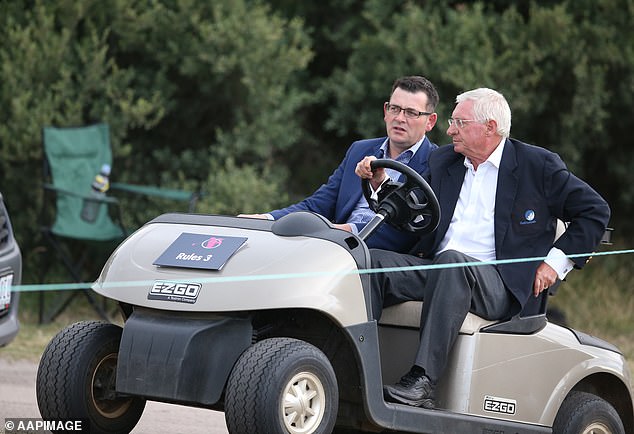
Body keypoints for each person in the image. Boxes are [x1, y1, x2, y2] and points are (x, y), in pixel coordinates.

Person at [355, 87, 610, 409]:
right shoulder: (443, 160)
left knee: (451, 263)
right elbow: (407, 211)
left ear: (490, 127)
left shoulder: (538, 165)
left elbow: (595, 211)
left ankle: (422, 381)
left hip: (501, 284)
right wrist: (379, 184)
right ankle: (356, 366)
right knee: (371, 263)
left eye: (459, 122)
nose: (449, 130)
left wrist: (554, 265)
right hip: (439, 269)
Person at [239, 75, 439, 253]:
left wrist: (343, 231)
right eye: (395, 109)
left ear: (430, 121)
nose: (399, 118)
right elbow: (319, 204)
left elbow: (410, 233)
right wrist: (266, 219)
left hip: (374, 256)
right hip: (332, 243)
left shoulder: (437, 163)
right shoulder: (359, 150)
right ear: (385, 111)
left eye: (411, 113)